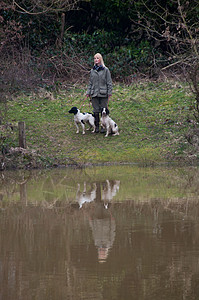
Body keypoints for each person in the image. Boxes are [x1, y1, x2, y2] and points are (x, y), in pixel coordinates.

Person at [86, 53, 112, 133]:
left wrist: (109, 92)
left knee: (103, 110)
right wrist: (88, 92)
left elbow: (109, 82)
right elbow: (90, 83)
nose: (96, 60)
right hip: (94, 93)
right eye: (94, 58)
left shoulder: (106, 70)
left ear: (100, 59)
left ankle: (103, 126)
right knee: (95, 110)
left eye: (97, 58)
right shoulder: (92, 71)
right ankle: (96, 126)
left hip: (104, 93)